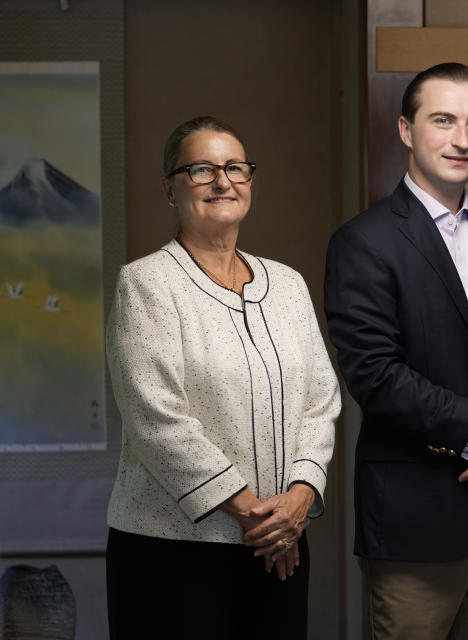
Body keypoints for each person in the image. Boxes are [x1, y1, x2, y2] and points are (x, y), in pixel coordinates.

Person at [324, 62, 468, 639]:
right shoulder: (364, 241)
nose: (462, 140)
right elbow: (376, 376)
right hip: (415, 518)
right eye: (444, 121)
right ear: (406, 130)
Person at [104, 115, 340, 638]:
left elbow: (320, 403)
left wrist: (299, 499)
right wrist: (259, 518)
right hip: (172, 555)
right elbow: (157, 420)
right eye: (201, 169)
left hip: (281, 545)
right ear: (169, 188)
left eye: (235, 167)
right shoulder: (146, 284)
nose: (222, 180)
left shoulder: (288, 285)